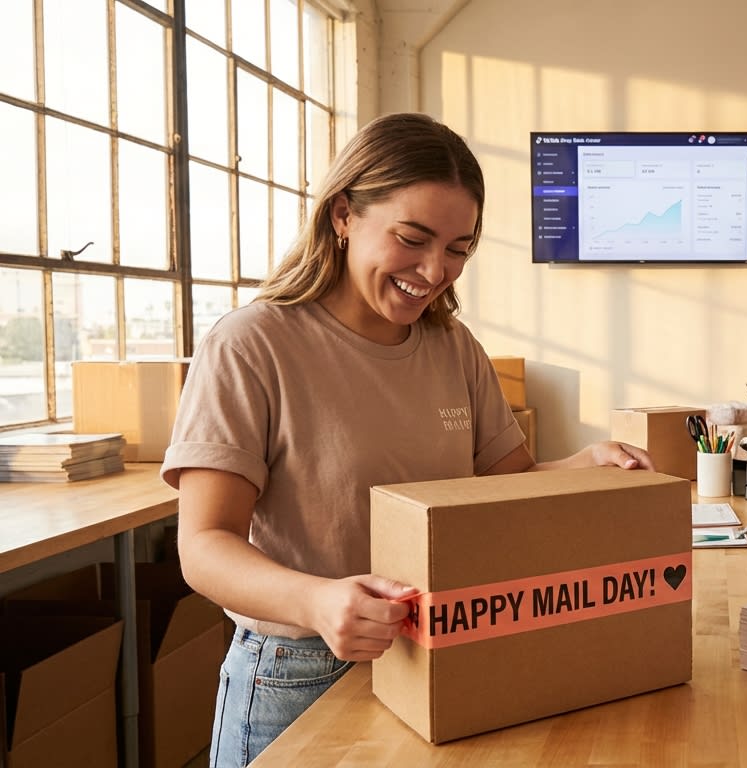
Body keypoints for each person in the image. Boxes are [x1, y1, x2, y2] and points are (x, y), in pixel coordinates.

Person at [161, 112, 654, 767]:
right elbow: (202, 547)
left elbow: (501, 492)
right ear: (343, 215)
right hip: (301, 667)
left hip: (443, 650)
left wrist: (581, 466)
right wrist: (316, 599)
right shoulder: (253, 344)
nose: (434, 270)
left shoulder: (453, 348)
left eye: (458, 249)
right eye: (413, 238)